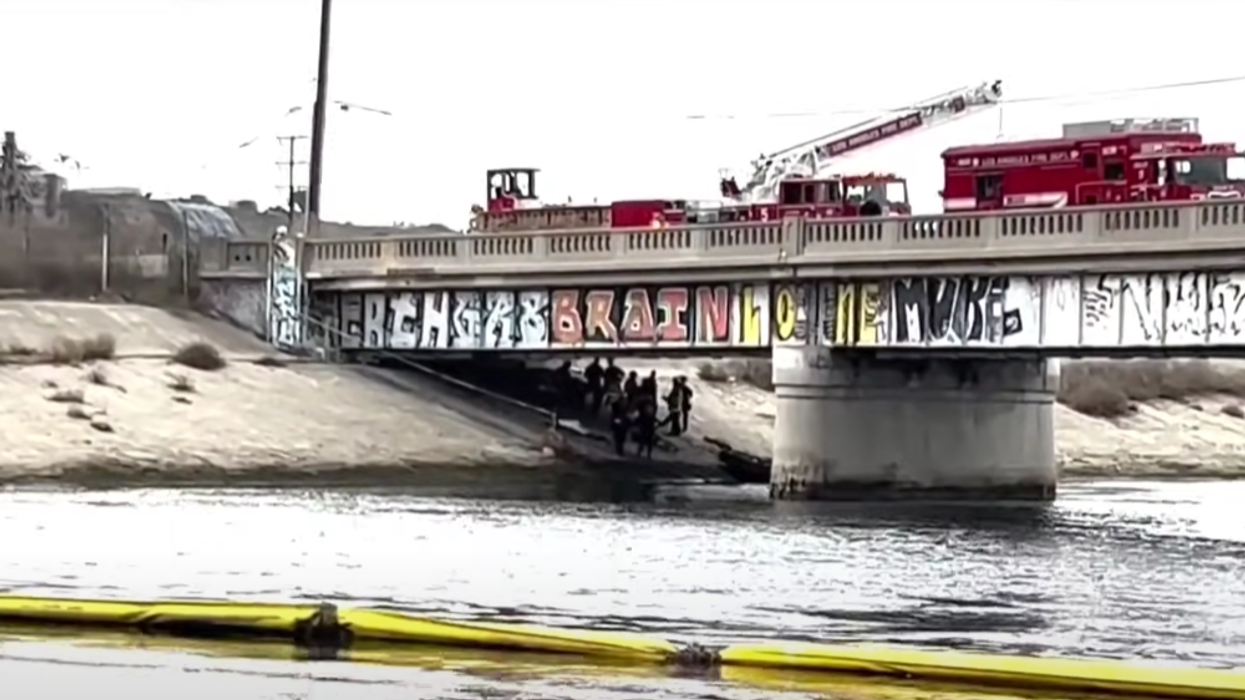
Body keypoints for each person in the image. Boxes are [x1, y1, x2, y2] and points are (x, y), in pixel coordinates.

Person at [608, 392, 630, 456]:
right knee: (618, 436)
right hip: (618, 422)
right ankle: (618, 448)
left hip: (622, 423)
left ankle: (619, 448)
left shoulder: (626, 407)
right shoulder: (616, 405)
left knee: (621, 437)